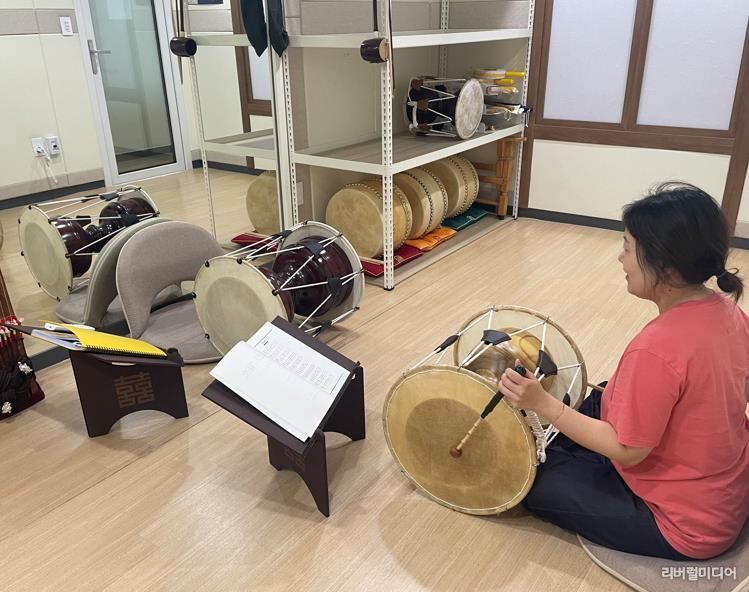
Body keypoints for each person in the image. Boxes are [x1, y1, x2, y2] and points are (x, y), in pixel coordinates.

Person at [498, 182, 749, 560]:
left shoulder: (656, 348)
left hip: (684, 524)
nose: (620, 258)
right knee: (602, 395)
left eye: (628, 248)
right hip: (724, 489)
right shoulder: (728, 311)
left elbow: (627, 452)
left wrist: (543, 404)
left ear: (665, 266)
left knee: (530, 479)